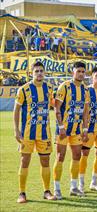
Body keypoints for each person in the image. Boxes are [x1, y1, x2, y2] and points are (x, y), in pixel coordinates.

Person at [14, 61, 56, 203]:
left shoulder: (49, 88)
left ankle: (47, 191)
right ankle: (22, 193)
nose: (39, 73)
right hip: (27, 133)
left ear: (44, 73)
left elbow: (53, 105)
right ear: (32, 73)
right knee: (24, 161)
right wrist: (16, 130)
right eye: (36, 71)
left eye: (41, 71)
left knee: (45, 161)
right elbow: (17, 110)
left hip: (44, 132)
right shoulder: (24, 89)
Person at [53, 61, 90, 199]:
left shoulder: (85, 90)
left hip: (76, 130)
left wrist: (85, 129)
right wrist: (61, 127)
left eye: (83, 71)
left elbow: (86, 112)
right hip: (63, 130)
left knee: (77, 156)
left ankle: (73, 187)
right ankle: (56, 188)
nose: (81, 74)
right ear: (73, 72)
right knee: (60, 157)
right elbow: (57, 108)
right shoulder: (65, 87)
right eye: (78, 71)